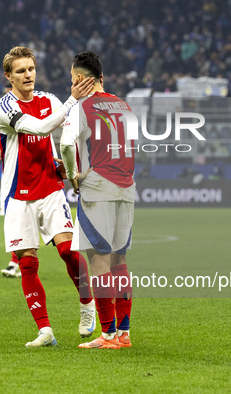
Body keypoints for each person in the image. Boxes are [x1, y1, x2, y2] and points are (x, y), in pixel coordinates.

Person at [0, 46, 95, 347]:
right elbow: (38, 128)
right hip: (17, 194)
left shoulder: (49, 100)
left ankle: (87, 304)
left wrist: (71, 168)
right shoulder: (4, 106)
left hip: (50, 188)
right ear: (9, 76)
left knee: (68, 250)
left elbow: (68, 134)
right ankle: (45, 330)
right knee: (27, 262)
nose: (28, 75)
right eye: (21, 71)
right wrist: (73, 99)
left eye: (31, 69)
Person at [60, 51, 135, 349]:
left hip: (98, 189)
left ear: (79, 79)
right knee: (119, 259)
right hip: (126, 188)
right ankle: (124, 333)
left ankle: (107, 334)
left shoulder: (82, 107)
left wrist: (73, 174)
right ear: (102, 78)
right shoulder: (124, 105)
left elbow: (66, 143)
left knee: (99, 260)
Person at [0, 82, 21, 278]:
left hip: (29, 177)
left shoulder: (28, 116)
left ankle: (16, 262)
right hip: (9, 177)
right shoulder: (0, 116)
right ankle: (16, 262)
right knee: (13, 220)